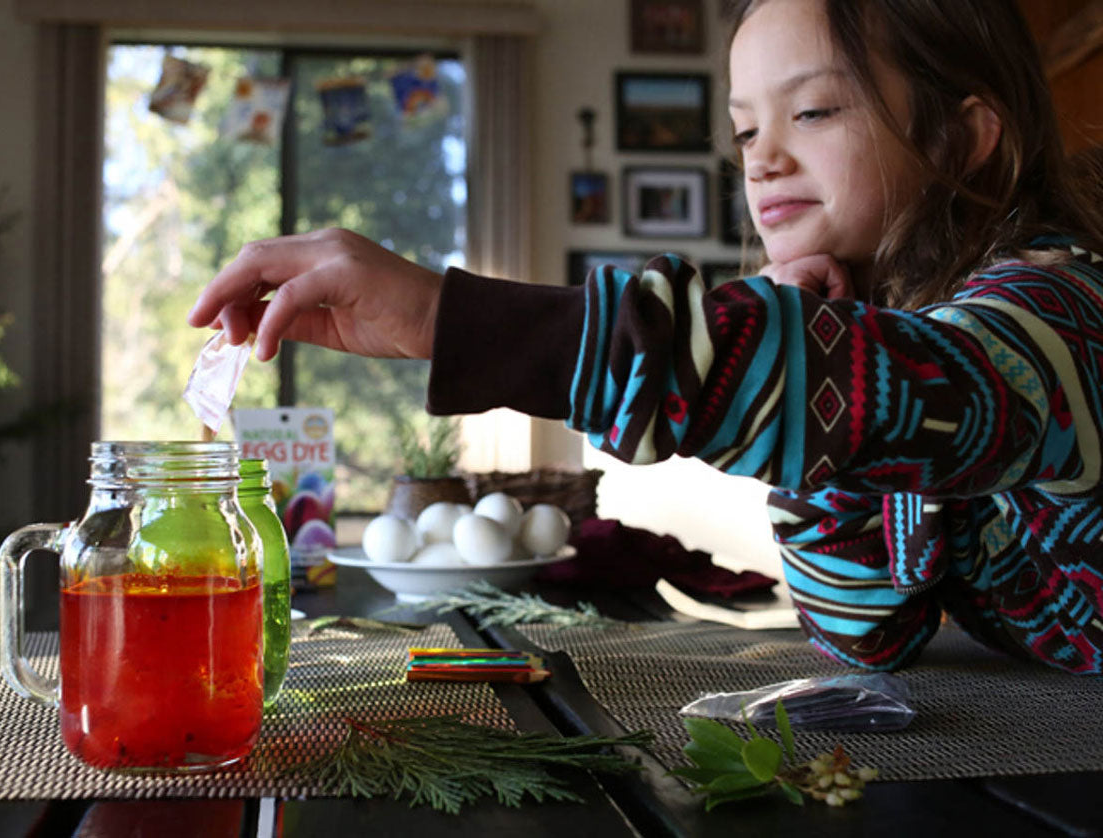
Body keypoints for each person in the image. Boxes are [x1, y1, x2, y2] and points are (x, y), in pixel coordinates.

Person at [188, 0, 1103, 674]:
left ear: (960, 136)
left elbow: (906, 391)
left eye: (813, 112)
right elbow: (867, 631)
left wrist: (449, 319)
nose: (761, 157)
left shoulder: (1054, 316)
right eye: (745, 128)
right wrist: (820, 354)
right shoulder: (881, 343)